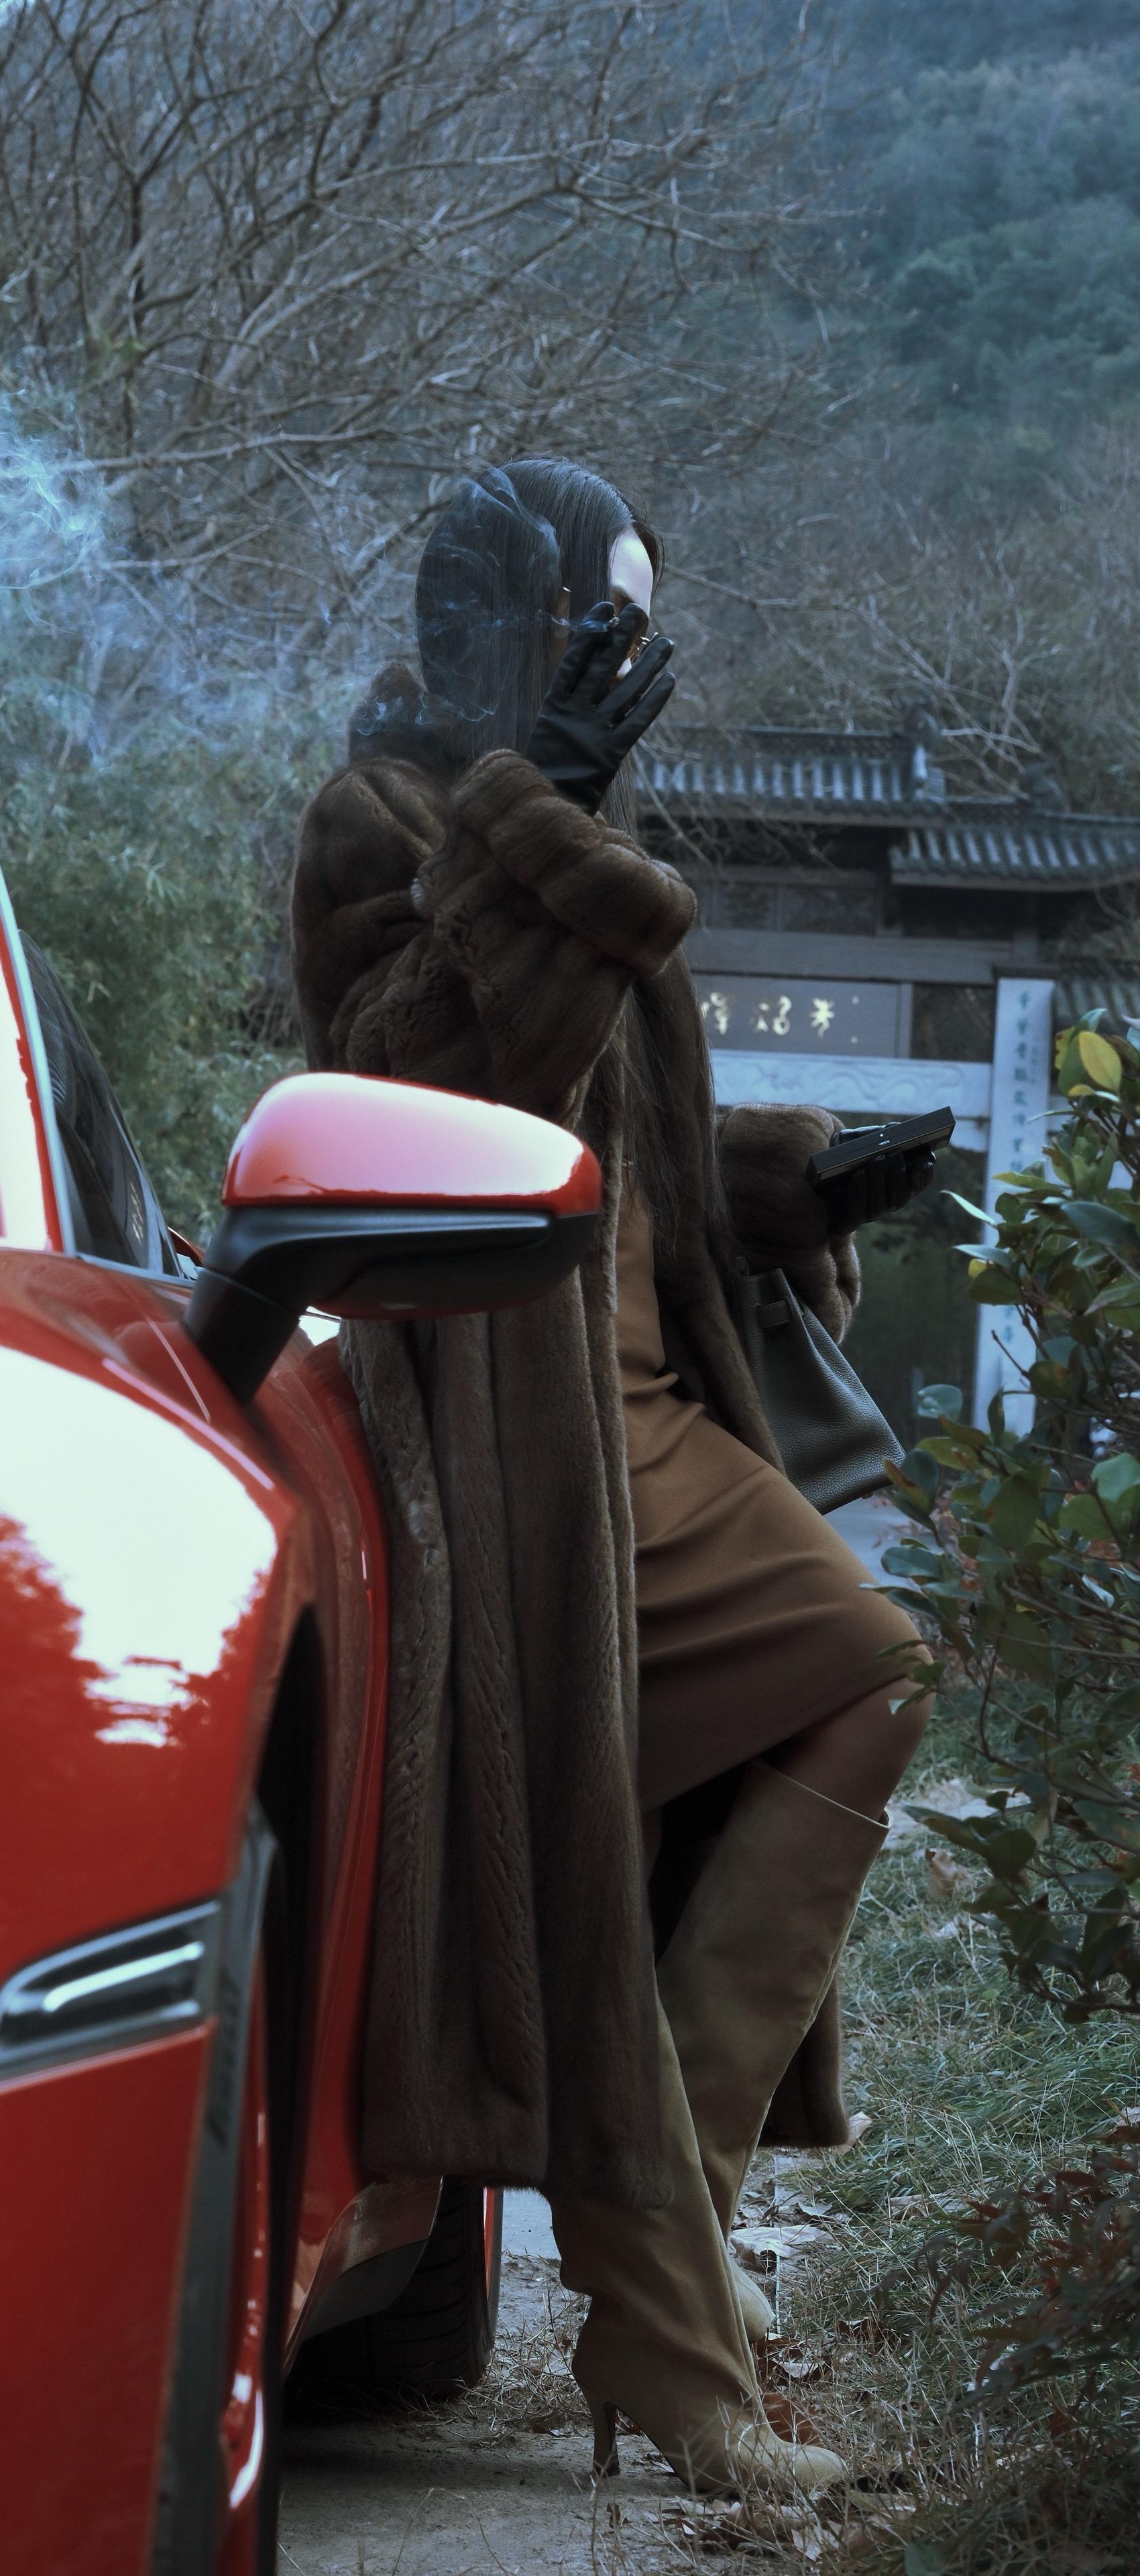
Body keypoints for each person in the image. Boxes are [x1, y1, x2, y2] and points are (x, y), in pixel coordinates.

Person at [290, 459, 935, 2498]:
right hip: (519, 1434)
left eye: (638, 626)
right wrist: (533, 830)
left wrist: (795, 1181)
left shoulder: (567, 827)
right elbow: (405, 1088)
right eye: (600, 620)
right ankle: (672, 2325)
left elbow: (619, 1143)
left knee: (865, 1673)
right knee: (588, 1849)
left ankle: (678, 2258)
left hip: (654, 1398)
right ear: (505, 617)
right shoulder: (382, 817)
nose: (628, 659)